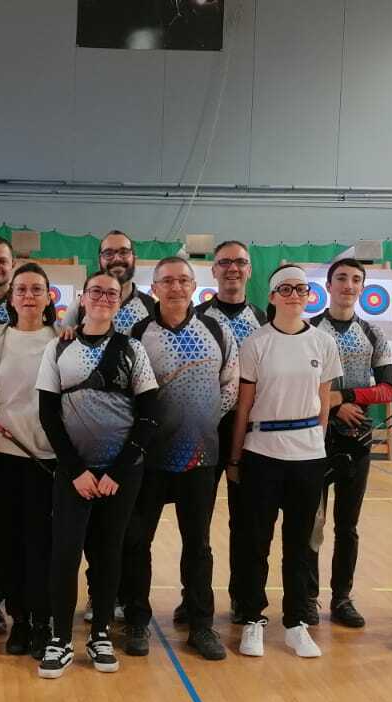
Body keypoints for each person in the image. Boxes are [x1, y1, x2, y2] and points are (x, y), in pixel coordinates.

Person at [36, 272, 160, 678]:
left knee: (108, 554)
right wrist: (75, 470)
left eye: (111, 293)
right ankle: (59, 637)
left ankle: (101, 633)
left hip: (119, 476)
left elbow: (149, 414)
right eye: (96, 291)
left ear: (119, 302)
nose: (104, 297)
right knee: (64, 554)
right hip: (74, 475)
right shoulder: (59, 347)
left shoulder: (133, 349)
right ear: (83, 299)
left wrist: (118, 472)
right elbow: (48, 414)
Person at [119, 257, 238, 661]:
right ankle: (137, 619)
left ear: (194, 286)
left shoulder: (216, 330)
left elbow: (230, 384)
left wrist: (202, 420)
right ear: (154, 288)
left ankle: (201, 625)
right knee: (137, 541)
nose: (175, 287)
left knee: (198, 544)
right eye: (167, 281)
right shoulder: (136, 334)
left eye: (183, 280)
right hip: (147, 459)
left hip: (199, 456)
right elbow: (124, 394)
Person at [226, 265, 341, 660]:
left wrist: (316, 443)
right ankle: (253, 619)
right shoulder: (255, 343)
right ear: (273, 296)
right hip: (262, 454)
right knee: (255, 541)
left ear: (309, 295)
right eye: (285, 289)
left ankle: (295, 622)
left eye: (301, 289)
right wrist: (235, 457)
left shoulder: (323, 343)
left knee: (300, 545)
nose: (294, 295)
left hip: (307, 457)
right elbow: (244, 406)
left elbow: (323, 400)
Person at [0, 263, 60, 657]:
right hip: (3, 459)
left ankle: (43, 622)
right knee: (10, 545)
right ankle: (19, 621)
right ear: (10, 296)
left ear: (48, 296)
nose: (28, 296)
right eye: (21, 289)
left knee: (43, 546)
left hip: (49, 461)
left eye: (36, 289)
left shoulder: (63, 338)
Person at [306, 258, 392, 629]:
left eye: (356, 279)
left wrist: (343, 397)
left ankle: (341, 598)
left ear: (362, 287)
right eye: (341, 278)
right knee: (311, 524)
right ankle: (307, 598)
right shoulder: (309, 330)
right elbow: (298, 385)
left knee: (348, 526)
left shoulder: (373, 333)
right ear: (328, 286)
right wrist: (330, 405)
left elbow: (388, 389)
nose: (348, 284)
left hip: (357, 441)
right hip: (313, 440)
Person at [189, 240, 265, 624]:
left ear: (249, 269)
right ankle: (193, 599)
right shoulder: (196, 318)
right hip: (203, 430)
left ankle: (242, 598)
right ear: (213, 270)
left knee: (246, 522)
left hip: (249, 433)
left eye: (240, 262)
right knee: (196, 522)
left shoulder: (265, 320)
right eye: (224, 262)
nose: (232, 268)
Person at [69, 231, 155, 334]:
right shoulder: (80, 306)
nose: (117, 259)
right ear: (99, 260)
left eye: (124, 252)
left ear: (134, 258)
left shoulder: (151, 306)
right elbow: (63, 339)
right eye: (108, 253)